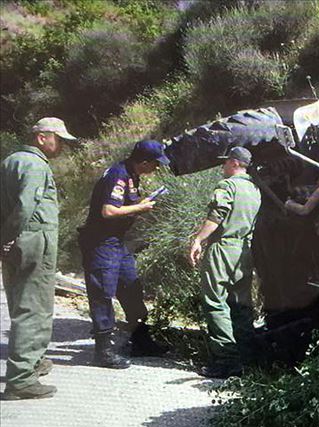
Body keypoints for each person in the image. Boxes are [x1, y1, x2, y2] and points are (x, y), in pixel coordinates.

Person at [0, 117, 77, 400]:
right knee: (34, 308)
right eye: (59, 139)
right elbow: (24, 207)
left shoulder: (11, 161)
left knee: (22, 303)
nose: (61, 147)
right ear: (42, 137)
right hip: (32, 242)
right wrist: (7, 237)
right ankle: (21, 380)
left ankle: (32, 362)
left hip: (18, 242)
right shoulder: (35, 165)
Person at [78, 140, 170, 369]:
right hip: (101, 243)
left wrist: (141, 203)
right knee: (102, 293)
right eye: (155, 164)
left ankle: (140, 340)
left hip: (116, 243)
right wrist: (140, 208)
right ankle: (103, 351)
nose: (157, 168)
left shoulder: (131, 174)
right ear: (145, 162)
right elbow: (108, 211)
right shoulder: (118, 175)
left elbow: (122, 207)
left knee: (131, 287)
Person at [189, 146, 262, 378]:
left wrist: (199, 239)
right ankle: (247, 357)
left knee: (215, 302)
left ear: (234, 163)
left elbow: (217, 215)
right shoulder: (254, 189)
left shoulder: (228, 186)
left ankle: (225, 359)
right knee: (241, 304)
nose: (223, 167)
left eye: (225, 163)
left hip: (223, 248)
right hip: (244, 251)